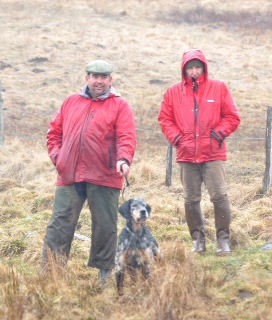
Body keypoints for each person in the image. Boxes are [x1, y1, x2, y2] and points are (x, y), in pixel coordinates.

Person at [42, 60, 137, 283]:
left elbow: (127, 137)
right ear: (87, 79)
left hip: (105, 174)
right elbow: (54, 133)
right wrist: (59, 158)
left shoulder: (120, 106)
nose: (99, 81)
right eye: (95, 77)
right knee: (59, 223)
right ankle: (51, 272)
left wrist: (123, 159)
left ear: (110, 80)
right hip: (70, 174)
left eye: (104, 77)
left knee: (105, 225)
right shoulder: (71, 102)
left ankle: (104, 273)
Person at [158, 49, 240, 255]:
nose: (194, 72)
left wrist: (217, 135)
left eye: (197, 67)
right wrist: (178, 139)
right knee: (190, 198)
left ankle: (223, 240)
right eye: (190, 68)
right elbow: (165, 119)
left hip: (213, 153)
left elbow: (232, 116)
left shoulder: (218, 88)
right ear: (183, 70)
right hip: (186, 154)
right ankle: (198, 241)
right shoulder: (173, 92)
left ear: (204, 68)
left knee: (219, 195)